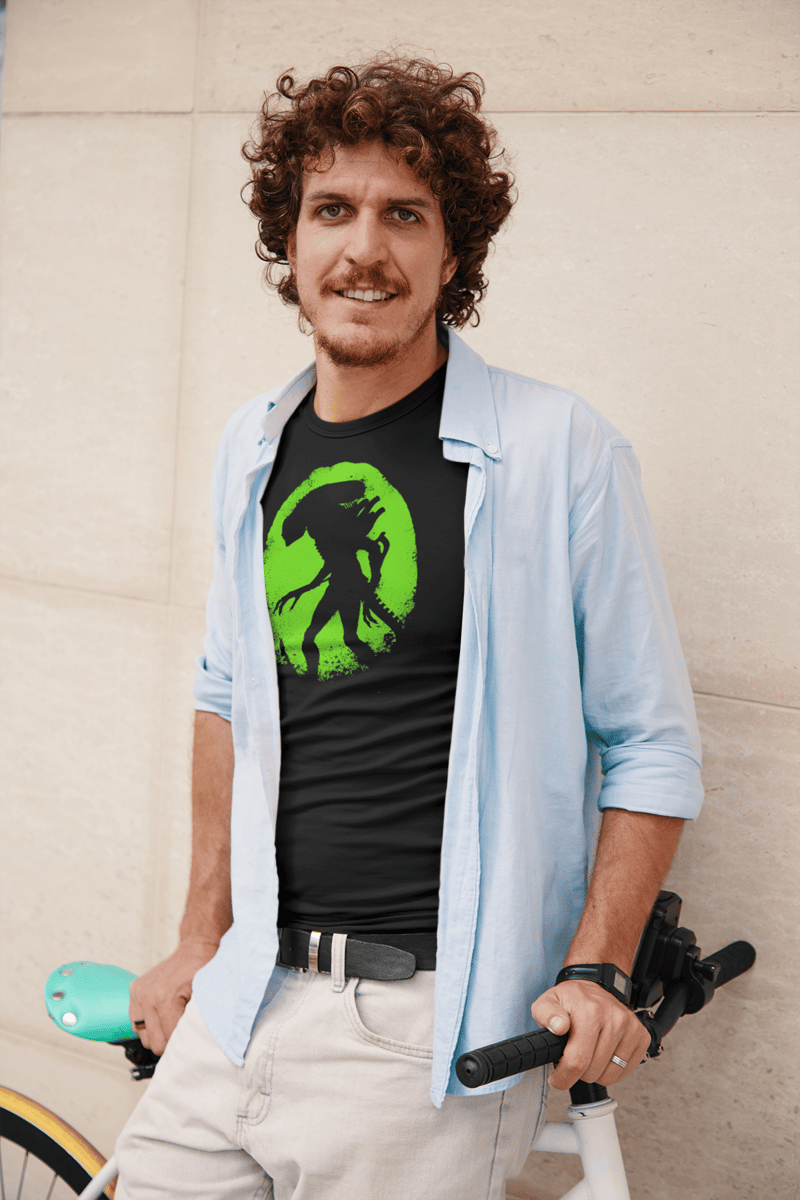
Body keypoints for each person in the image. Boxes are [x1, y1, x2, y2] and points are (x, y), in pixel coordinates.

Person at [115, 57, 703, 1199]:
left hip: (420, 1035)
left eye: (405, 214)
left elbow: (651, 741)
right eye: (332, 209)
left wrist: (596, 967)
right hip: (239, 1002)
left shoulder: (558, 450)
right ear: (289, 241)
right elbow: (226, 692)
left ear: (452, 251)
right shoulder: (252, 442)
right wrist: (199, 939)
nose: (363, 248)